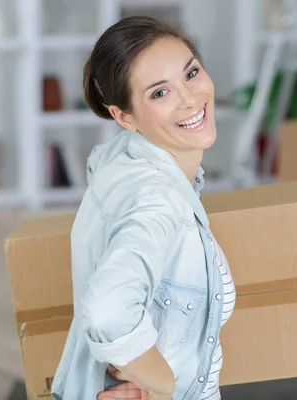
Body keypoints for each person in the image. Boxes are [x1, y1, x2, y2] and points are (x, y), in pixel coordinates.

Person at [50, 16, 236, 400]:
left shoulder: (123, 158)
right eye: (159, 93)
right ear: (123, 116)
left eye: (191, 73)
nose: (189, 98)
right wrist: (163, 386)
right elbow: (106, 312)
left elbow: (97, 160)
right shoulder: (159, 200)